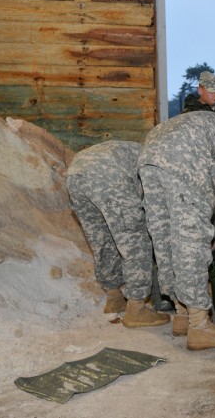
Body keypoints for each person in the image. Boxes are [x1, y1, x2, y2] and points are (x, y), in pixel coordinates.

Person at [137, 111, 215, 350]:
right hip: (184, 156)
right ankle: (200, 326)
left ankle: (182, 314)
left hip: (149, 153)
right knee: (190, 241)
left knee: (165, 235)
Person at [66, 140, 171, 328]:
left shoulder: (137, 148)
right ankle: (137, 309)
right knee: (135, 239)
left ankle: (114, 297)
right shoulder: (159, 160)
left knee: (101, 238)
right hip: (108, 175)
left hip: (75, 172)